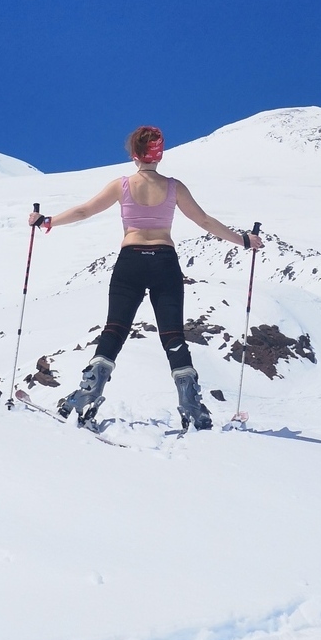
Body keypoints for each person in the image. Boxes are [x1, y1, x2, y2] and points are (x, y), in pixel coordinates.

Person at [28, 125, 263, 430]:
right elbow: (204, 221)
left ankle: (88, 393)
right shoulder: (175, 187)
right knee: (173, 336)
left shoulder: (122, 185)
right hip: (164, 262)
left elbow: (85, 211)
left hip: (130, 262)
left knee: (114, 329)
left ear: (134, 154)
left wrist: (47, 222)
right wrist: (243, 240)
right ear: (159, 154)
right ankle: (191, 404)